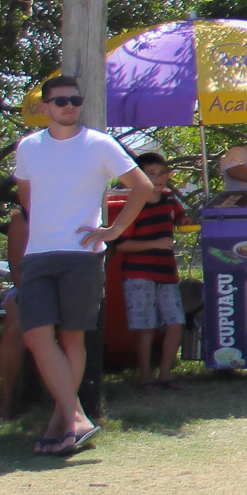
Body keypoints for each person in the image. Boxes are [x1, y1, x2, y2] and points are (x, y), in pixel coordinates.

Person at [14, 75, 155, 457]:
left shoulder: (100, 144)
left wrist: (113, 231)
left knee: (72, 338)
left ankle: (61, 424)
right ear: (44, 107)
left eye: (75, 100)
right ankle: (76, 416)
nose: (68, 107)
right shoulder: (28, 148)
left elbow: (142, 186)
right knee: (36, 335)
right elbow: (27, 197)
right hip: (39, 253)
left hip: (83, 254)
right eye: (59, 101)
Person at [112, 151, 190, 389]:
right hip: (139, 274)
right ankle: (146, 377)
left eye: (162, 173)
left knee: (176, 323)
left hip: (167, 273)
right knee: (146, 327)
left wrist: (185, 222)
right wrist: (155, 244)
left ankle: (166, 375)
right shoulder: (134, 205)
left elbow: (180, 218)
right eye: (151, 174)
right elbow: (121, 243)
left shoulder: (171, 202)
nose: (158, 178)